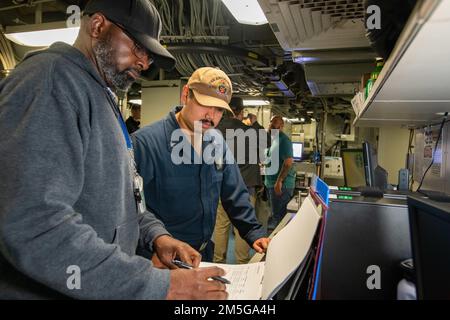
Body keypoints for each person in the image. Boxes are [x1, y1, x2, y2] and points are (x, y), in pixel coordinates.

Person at [0, 0, 227, 300]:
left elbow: (124, 198)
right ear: (97, 26)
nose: (145, 64)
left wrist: (156, 236)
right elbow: (35, 225)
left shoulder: (101, 95)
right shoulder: (51, 82)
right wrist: (160, 285)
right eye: (138, 49)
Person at [133, 67, 270, 262]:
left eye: (219, 110)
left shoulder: (217, 142)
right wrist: (154, 244)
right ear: (185, 95)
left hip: (203, 254)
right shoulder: (145, 144)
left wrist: (254, 233)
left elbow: (235, 194)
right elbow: (129, 209)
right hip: (161, 261)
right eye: (205, 104)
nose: (211, 115)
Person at [212, 97, 264, 264]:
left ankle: (218, 260)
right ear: (241, 112)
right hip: (246, 185)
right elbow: (268, 140)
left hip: (221, 185)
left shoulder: (215, 130)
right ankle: (242, 262)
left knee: (221, 225)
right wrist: (254, 123)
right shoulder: (249, 131)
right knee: (243, 225)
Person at [264, 116, 296, 234]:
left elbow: (288, 163)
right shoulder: (273, 140)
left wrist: (279, 181)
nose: (271, 128)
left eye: (274, 126)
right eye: (270, 125)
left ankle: (277, 248)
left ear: (281, 127)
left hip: (281, 186)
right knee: (275, 216)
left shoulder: (284, 140)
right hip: (271, 184)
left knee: (279, 219)